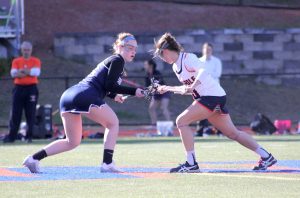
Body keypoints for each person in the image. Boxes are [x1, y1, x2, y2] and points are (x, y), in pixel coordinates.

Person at [154, 32, 277, 173]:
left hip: (211, 97)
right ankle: (266, 156)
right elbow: (187, 90)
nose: (162, 58)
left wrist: (193, 85)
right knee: (233, 134)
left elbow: (203, 71)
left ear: (167, 51)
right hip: (211, 98)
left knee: (181, 121)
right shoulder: (176, 67)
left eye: (162, 54)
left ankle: (191, 163)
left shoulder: (188, 58)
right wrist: (167, 88)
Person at [22, 32, 144, 173]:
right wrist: (134, 91)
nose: (133, 51)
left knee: (72, 142)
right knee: (113, 123)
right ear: (119, 46)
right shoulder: (118, 60)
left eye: (135, 49)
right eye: (129, 47)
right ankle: (107, 164)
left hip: (69, 95)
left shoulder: (115, 61)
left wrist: (114, 95)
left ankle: (33, 159)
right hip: (85, 94)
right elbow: (109, 85)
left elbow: (106, 86)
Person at [3, 41, 41, 143]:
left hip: (31, 89)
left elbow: (36, 72)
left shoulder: (36, 61)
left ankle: (29, 137)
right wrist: (28, 72)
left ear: (31, 50)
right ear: (21, 50)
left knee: (31, 113)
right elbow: (14, 74)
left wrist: (22, 72)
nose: (26, 52)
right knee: (16, 113)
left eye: (28, 50)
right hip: (18, 89)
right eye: (24, 50)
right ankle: (12, 137)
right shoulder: (16, 61)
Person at [196, 42, 223, 136]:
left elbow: (217, 74)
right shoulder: (198, 61)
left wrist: (204, 74)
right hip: (203, 90)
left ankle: (219, 131)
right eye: (205, 49)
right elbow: (197, 76)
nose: (207, 51)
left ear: (212, 50)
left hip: (215, 91)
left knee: (217, 111)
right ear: (203, 50)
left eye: (209, 49)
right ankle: (200, 131)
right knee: (201, 110)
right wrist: (205, 75)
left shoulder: (217, 61)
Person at [144, 59, 171, 125]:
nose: (144, 66)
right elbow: (148, 87)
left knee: (164, 108)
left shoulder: (157, 73)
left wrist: (152, 87)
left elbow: (158, 83)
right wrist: (147, 90)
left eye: (146, 65)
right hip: (156, 94)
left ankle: (170, 125)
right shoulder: (147, 75)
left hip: (164, 92)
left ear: (151, 65)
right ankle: (154, 124)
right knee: (151, 108)